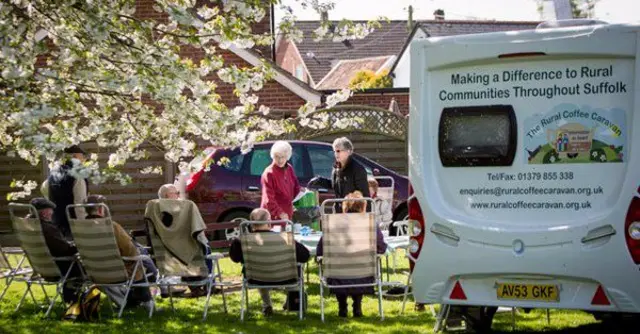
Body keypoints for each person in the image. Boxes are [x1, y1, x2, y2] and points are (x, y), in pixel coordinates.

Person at [316, 191, 387, 318]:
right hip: (363, 273)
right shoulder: (369, 224)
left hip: (338, 274)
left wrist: (320, 258)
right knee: (357, 269)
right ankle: (357, 307)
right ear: (363, 206)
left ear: (345, 206)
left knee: (341, 268)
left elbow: (321, 248)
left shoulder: (333, 224)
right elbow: (381, 246)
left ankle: (342, 307)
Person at [229, 208, 310, 316]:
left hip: (256, 279)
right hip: (285, 278)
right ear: (268, 221)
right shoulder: (285, 238)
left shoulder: (242, 241)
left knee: (257, 268)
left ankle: (267, 305)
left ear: (252, 223)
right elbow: (305, 256)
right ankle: (293, 303)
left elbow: (235, 258)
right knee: (297, 268)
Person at [85, 195, 156, 310]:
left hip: (94, 272)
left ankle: (131, 301)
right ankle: (147, 302)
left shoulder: (80, 228)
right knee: (139, 263)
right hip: (117, 272)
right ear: (100, 209)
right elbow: (130, 251)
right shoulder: (111, 226)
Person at [29, 197, 83, 304]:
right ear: (44, 213)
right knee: (82, 271)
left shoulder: (28, 226)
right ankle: (71, 300)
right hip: (60, 267)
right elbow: (64, 249)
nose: (52, 213)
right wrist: (80, 246)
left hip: (42, 267)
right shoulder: (47, 228)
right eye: (51, 210)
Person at [42, 145, 89, 239]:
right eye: (82, 157)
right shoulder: (78, 175)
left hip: (57, 226)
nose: (84, 160)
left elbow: (44, 187)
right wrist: (84, 229)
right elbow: (79, 206)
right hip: (73, 228)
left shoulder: (54, 171)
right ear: (75, 157)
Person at [260, 141, 302, 224]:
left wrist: (303, 193)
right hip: (273, 217)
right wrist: (280, 213)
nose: (280, 160)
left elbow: (296, 187)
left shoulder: (289, 168)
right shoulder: (269, 173)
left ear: (287, 157)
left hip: (287, 215)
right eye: (277, 157)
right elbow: (268, 199)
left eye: (283, 157)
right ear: (272, 156)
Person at [332, 137, 370, 212]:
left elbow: (365, 196)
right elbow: (336, 187)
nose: (336, 154)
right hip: (339, 212)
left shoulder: (358, 169)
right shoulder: (336, 168)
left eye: (338, 151)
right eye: (334, 151)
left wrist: (365, 217)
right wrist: (321, 181)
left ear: (348, 151)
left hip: (354, 214)